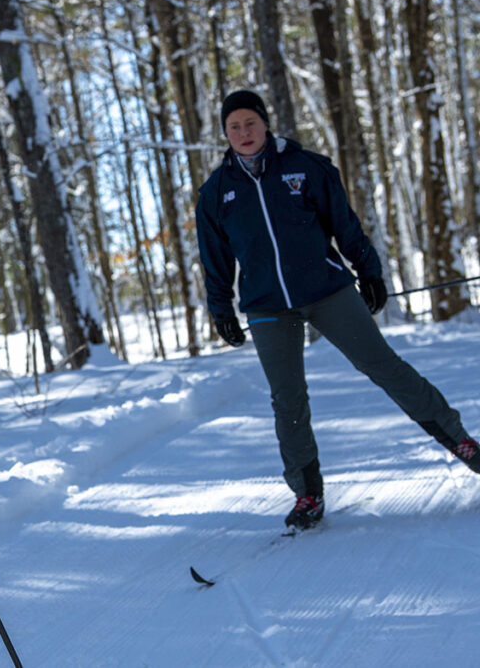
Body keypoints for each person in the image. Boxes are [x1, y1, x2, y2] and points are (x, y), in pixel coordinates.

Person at [195, 89, 479, 531]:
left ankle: (461, 443)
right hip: (267, 306)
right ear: (225, 133)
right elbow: (215, 258)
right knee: (287, 400)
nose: (244, 133)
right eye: (234, 127)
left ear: (266, 124)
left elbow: (344, 224)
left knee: (384, 366)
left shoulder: (306, 168)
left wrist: (370, 272)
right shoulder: (216, 193)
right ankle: (307, 493)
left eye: (250, 123)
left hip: (326, 290)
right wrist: (221, 309)